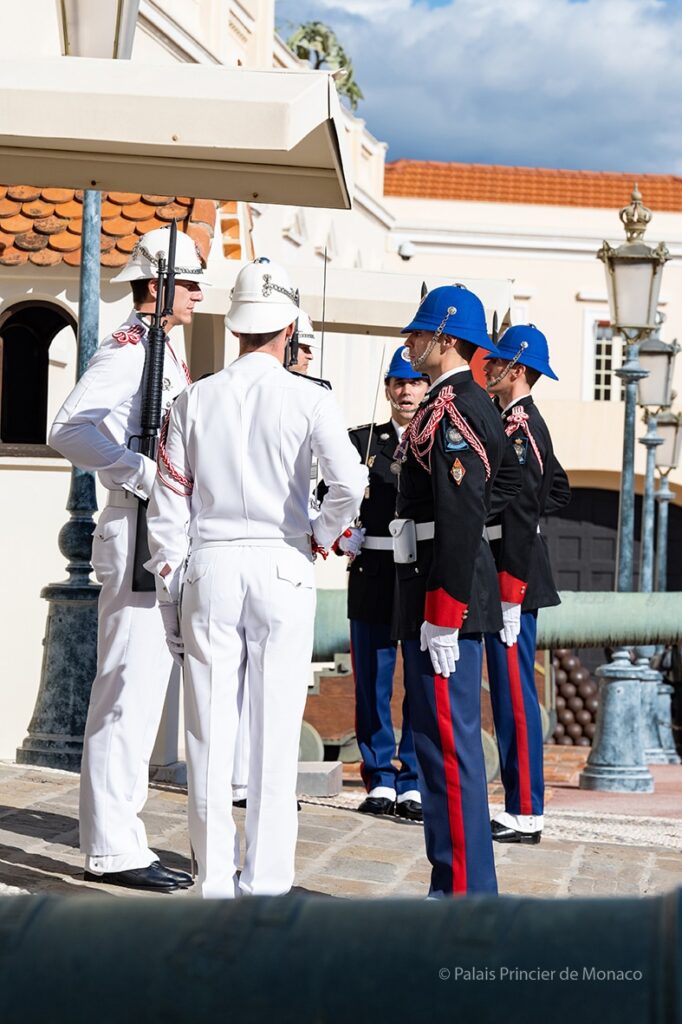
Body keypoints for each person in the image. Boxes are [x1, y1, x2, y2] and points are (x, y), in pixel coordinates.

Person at [145, 257, 367, 898]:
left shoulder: (193, 398)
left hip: (209, 562)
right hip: (281, 560)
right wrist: (322, 533)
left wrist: (171, 587)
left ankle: (213, 880)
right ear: (290, 324)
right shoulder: (310, 397)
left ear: (236, 323)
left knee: (209, 732)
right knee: (274, 732)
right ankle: (265, 882)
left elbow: (168, 503)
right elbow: (351, 483)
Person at [49, 226, 207, 892]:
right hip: (135, 527)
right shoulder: (131, 350)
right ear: (159, 285)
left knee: (141, 693)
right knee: (125, 690)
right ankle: (113, 848)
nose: (198, 295)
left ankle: (124, 836)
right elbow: (68, 427)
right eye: (190, 282)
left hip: (158, 531)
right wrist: (136, 471)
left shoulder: (162, 350)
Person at [393, 284, 521, 897]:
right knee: (436, 743)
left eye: (418, 334)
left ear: (445, 338)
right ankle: (452, 881)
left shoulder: (457, 407)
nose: (411, 344)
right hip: (433, 586)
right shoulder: (449, 403)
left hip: (445, 598)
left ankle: (465, 894)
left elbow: (466, 511)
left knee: (449, 747)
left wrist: (444, 612)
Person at [482, 324, 571, 844]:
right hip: (512, 564)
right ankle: (519, 804)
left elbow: (518, 512)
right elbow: (554, 489)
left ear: (515, 369)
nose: (488, 368)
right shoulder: (519, 423)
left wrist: (512, 588)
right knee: (509, 694)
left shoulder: (520, 428)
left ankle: (526, 810)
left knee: (516, 696)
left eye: (496, 362)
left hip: (512, 574)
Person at [337, 346, 429, 820]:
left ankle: (412, 777)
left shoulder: (438, 439)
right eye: (398, 382)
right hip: (372, 571)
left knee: (419, 679)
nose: (406, 391)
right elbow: (328, 494)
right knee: (372, 681)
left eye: (414, 382)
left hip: (417, 576)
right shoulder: (361, 441)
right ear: (387, 387)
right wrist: (341, 531)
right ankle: (379, 778)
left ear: (427, 386)